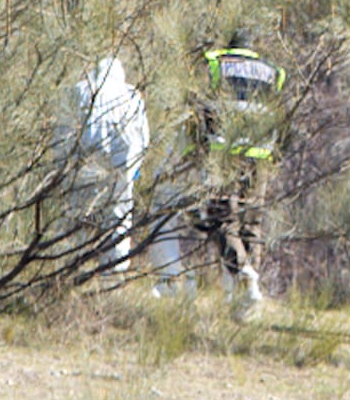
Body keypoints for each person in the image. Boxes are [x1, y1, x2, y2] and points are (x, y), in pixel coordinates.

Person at [152, 30, 286, 311]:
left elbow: (197, 110)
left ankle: (243, 274)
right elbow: (281, 117)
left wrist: (195, 150)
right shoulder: (272, 71)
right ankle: (246, 298)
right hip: (260, 154)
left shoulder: (215, 62)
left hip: (222, 153)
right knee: (251, 224)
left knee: (220, 217)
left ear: (231, 45)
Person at [63, 55, 148, 273]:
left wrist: (61, 164)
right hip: (120, 165)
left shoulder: (78, 91)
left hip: (83, 161)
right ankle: (115, 268)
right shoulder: (131, 95)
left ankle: (71, 262)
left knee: (77, 212)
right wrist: (135, 169)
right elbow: (143, 137)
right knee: (118, 215)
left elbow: (63, 130)